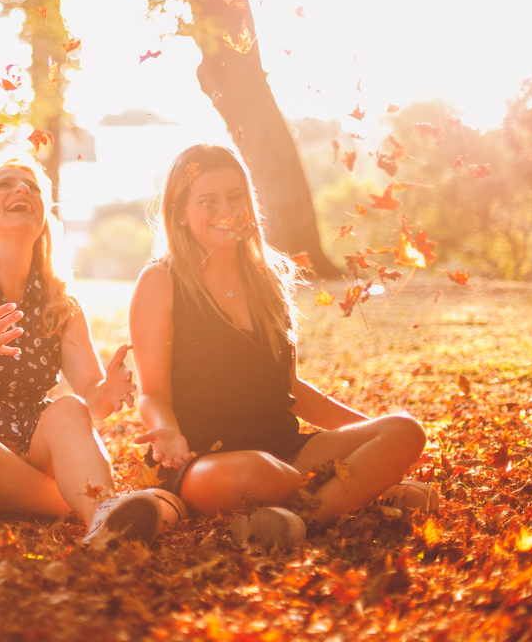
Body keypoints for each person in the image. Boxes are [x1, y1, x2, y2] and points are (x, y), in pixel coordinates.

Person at [130, 144, 437, 546]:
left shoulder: (269, 278)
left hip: (288, 450)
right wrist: (167, 432)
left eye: (235, 197)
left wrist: (369, 435)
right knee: (262, 474)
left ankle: (305, 520)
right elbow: (152, 393)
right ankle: (352, 496)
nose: (226, 210)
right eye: (207, 201)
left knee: (404, 430)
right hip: (206, 461)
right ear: (179, 213)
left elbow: (289, 387)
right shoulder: (160, 281)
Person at [0, 157, 184, 544]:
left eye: (32, 187)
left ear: (44, 217)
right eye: (5, 184)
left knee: (68, 408)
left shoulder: (59, 300)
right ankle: (79, 504)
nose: (22, 189)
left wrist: (108, 390)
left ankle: (101, 516)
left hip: (27, 449)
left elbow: (91, 403)